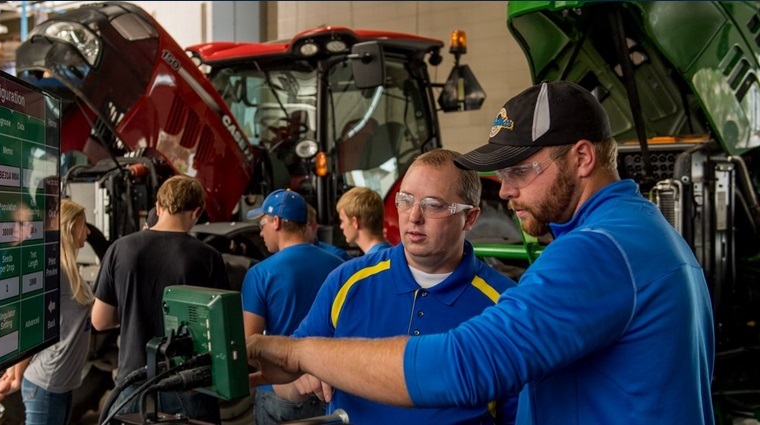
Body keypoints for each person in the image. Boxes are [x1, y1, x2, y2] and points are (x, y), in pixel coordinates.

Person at [246, 81, 715, 424]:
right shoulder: (645, 230)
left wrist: (300, 350)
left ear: (583, 158)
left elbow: (460, 367)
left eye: (520, 172)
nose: (506, 192)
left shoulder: (597, 251)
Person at [277, 149, 517, 425]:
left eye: (433, 204)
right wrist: (301, 375)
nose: (414, 216)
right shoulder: (348, 282)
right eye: (406, 200)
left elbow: (518, 413)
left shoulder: (505, 305)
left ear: (470, 218)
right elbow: (284, 381)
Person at [92, 175, 230, 422]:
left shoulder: (120, 249)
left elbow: (100, 321)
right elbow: (222, 328)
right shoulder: (208, 257)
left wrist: (133, 315)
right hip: (188, 383)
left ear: (158, 207)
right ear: (196, 212)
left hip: (134, 383)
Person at [0, 199, 94, 425]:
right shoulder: (54, 273)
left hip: (62, 383)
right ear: (70, 227)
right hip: (45, 384)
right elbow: (29, 326)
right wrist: (14, 378)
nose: (89, 231)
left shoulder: (70, 273)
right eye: (84, 225)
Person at [242, 189, 345, 425]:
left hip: (280, 393)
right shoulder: (341, 267)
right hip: (331, 387)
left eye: (262, 223)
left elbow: (251, 346)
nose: (260, 232)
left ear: (276, 222)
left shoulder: (260, 274)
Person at [335, 186, 392, 255]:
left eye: (342, 221)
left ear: (355, 222)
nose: (341, 226)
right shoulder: (393, 253)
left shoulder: (371, 262)